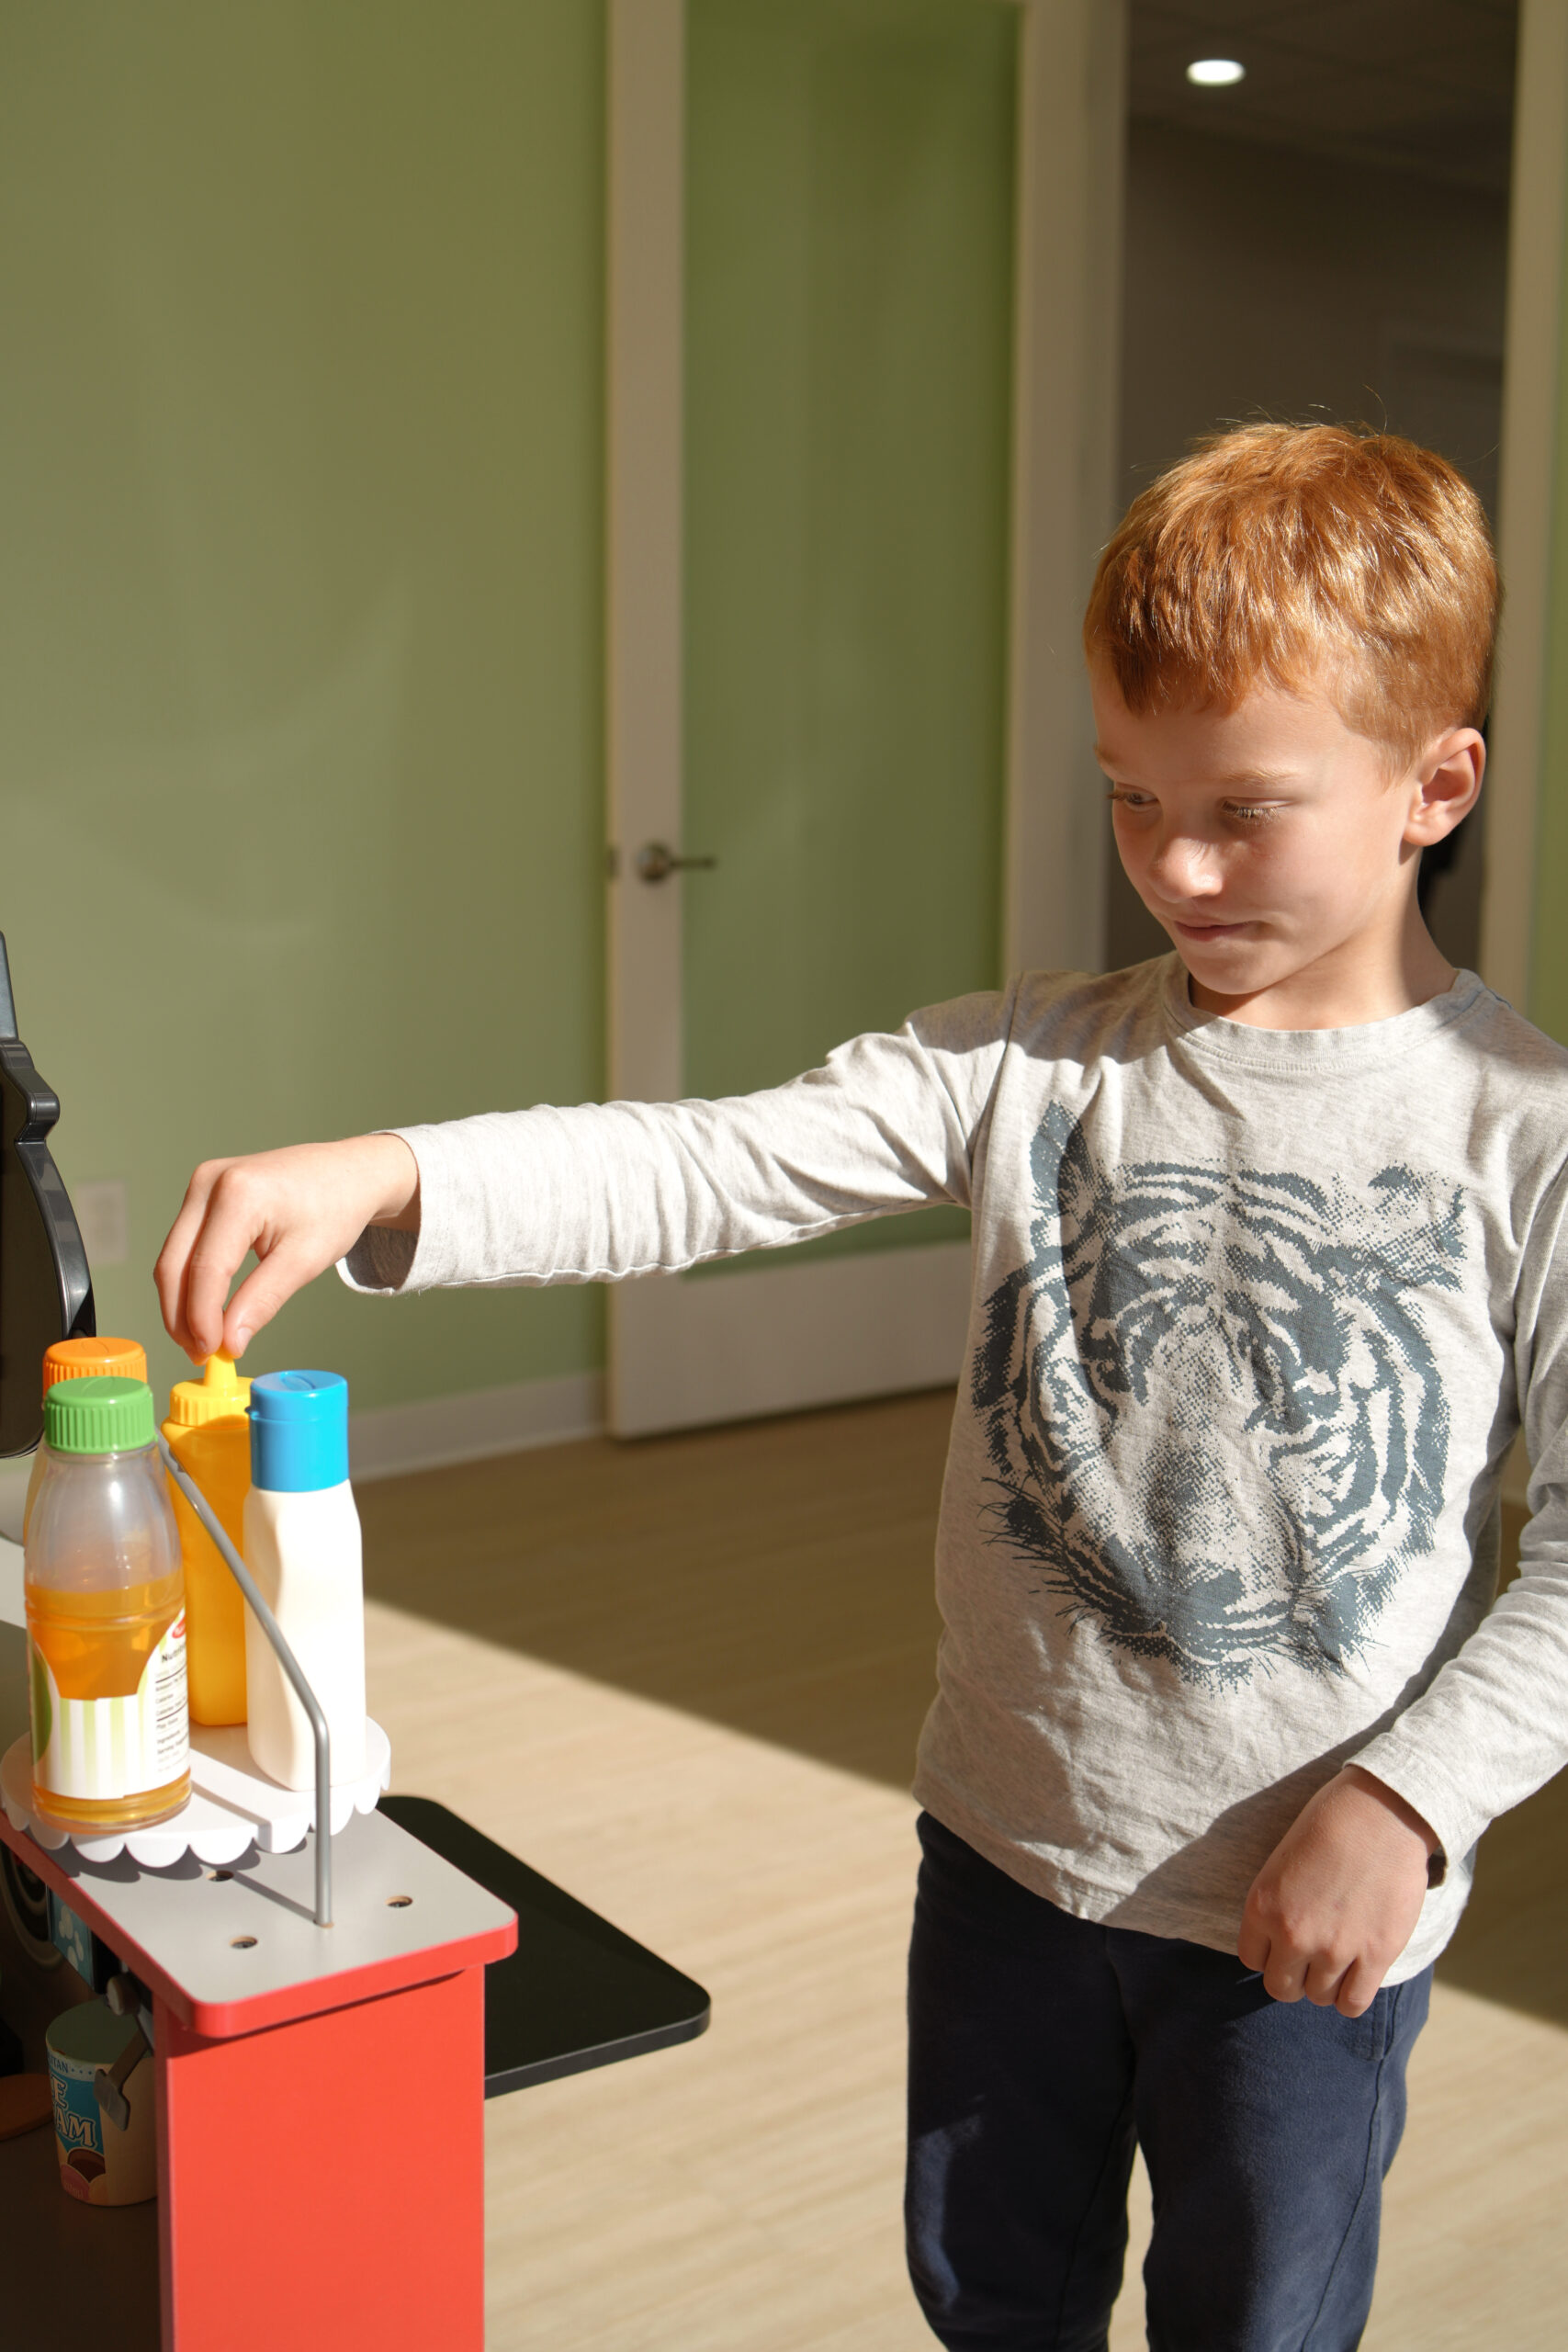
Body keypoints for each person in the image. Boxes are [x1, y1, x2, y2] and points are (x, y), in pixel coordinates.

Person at [155, 424, 1568, 2352]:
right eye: (1128, 797)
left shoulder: (1523, 1139)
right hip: (1001, 1852)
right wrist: (389, 1173)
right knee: (987, 2293)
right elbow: (705, 1162)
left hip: (1307, 1914)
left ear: (1434, 787)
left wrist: (1406, 1804)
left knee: (1253, 2320)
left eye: (1243, 809)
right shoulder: (1030, 1066)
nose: (1172, 863)